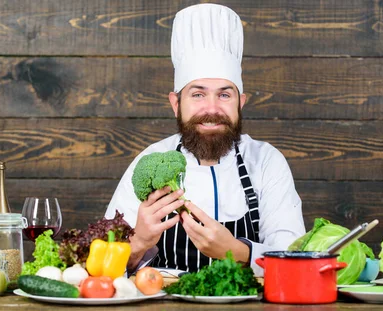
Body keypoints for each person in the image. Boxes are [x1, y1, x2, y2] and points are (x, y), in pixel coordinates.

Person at [105, 3, 305, 276]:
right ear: (176, 104)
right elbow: (102, 267)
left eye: (224, 95)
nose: (211, 109)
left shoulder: (266, 161)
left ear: (240, 103)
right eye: (198, 95)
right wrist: (138, 243)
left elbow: (294, 259)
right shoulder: (150, 160)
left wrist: (237, 252)